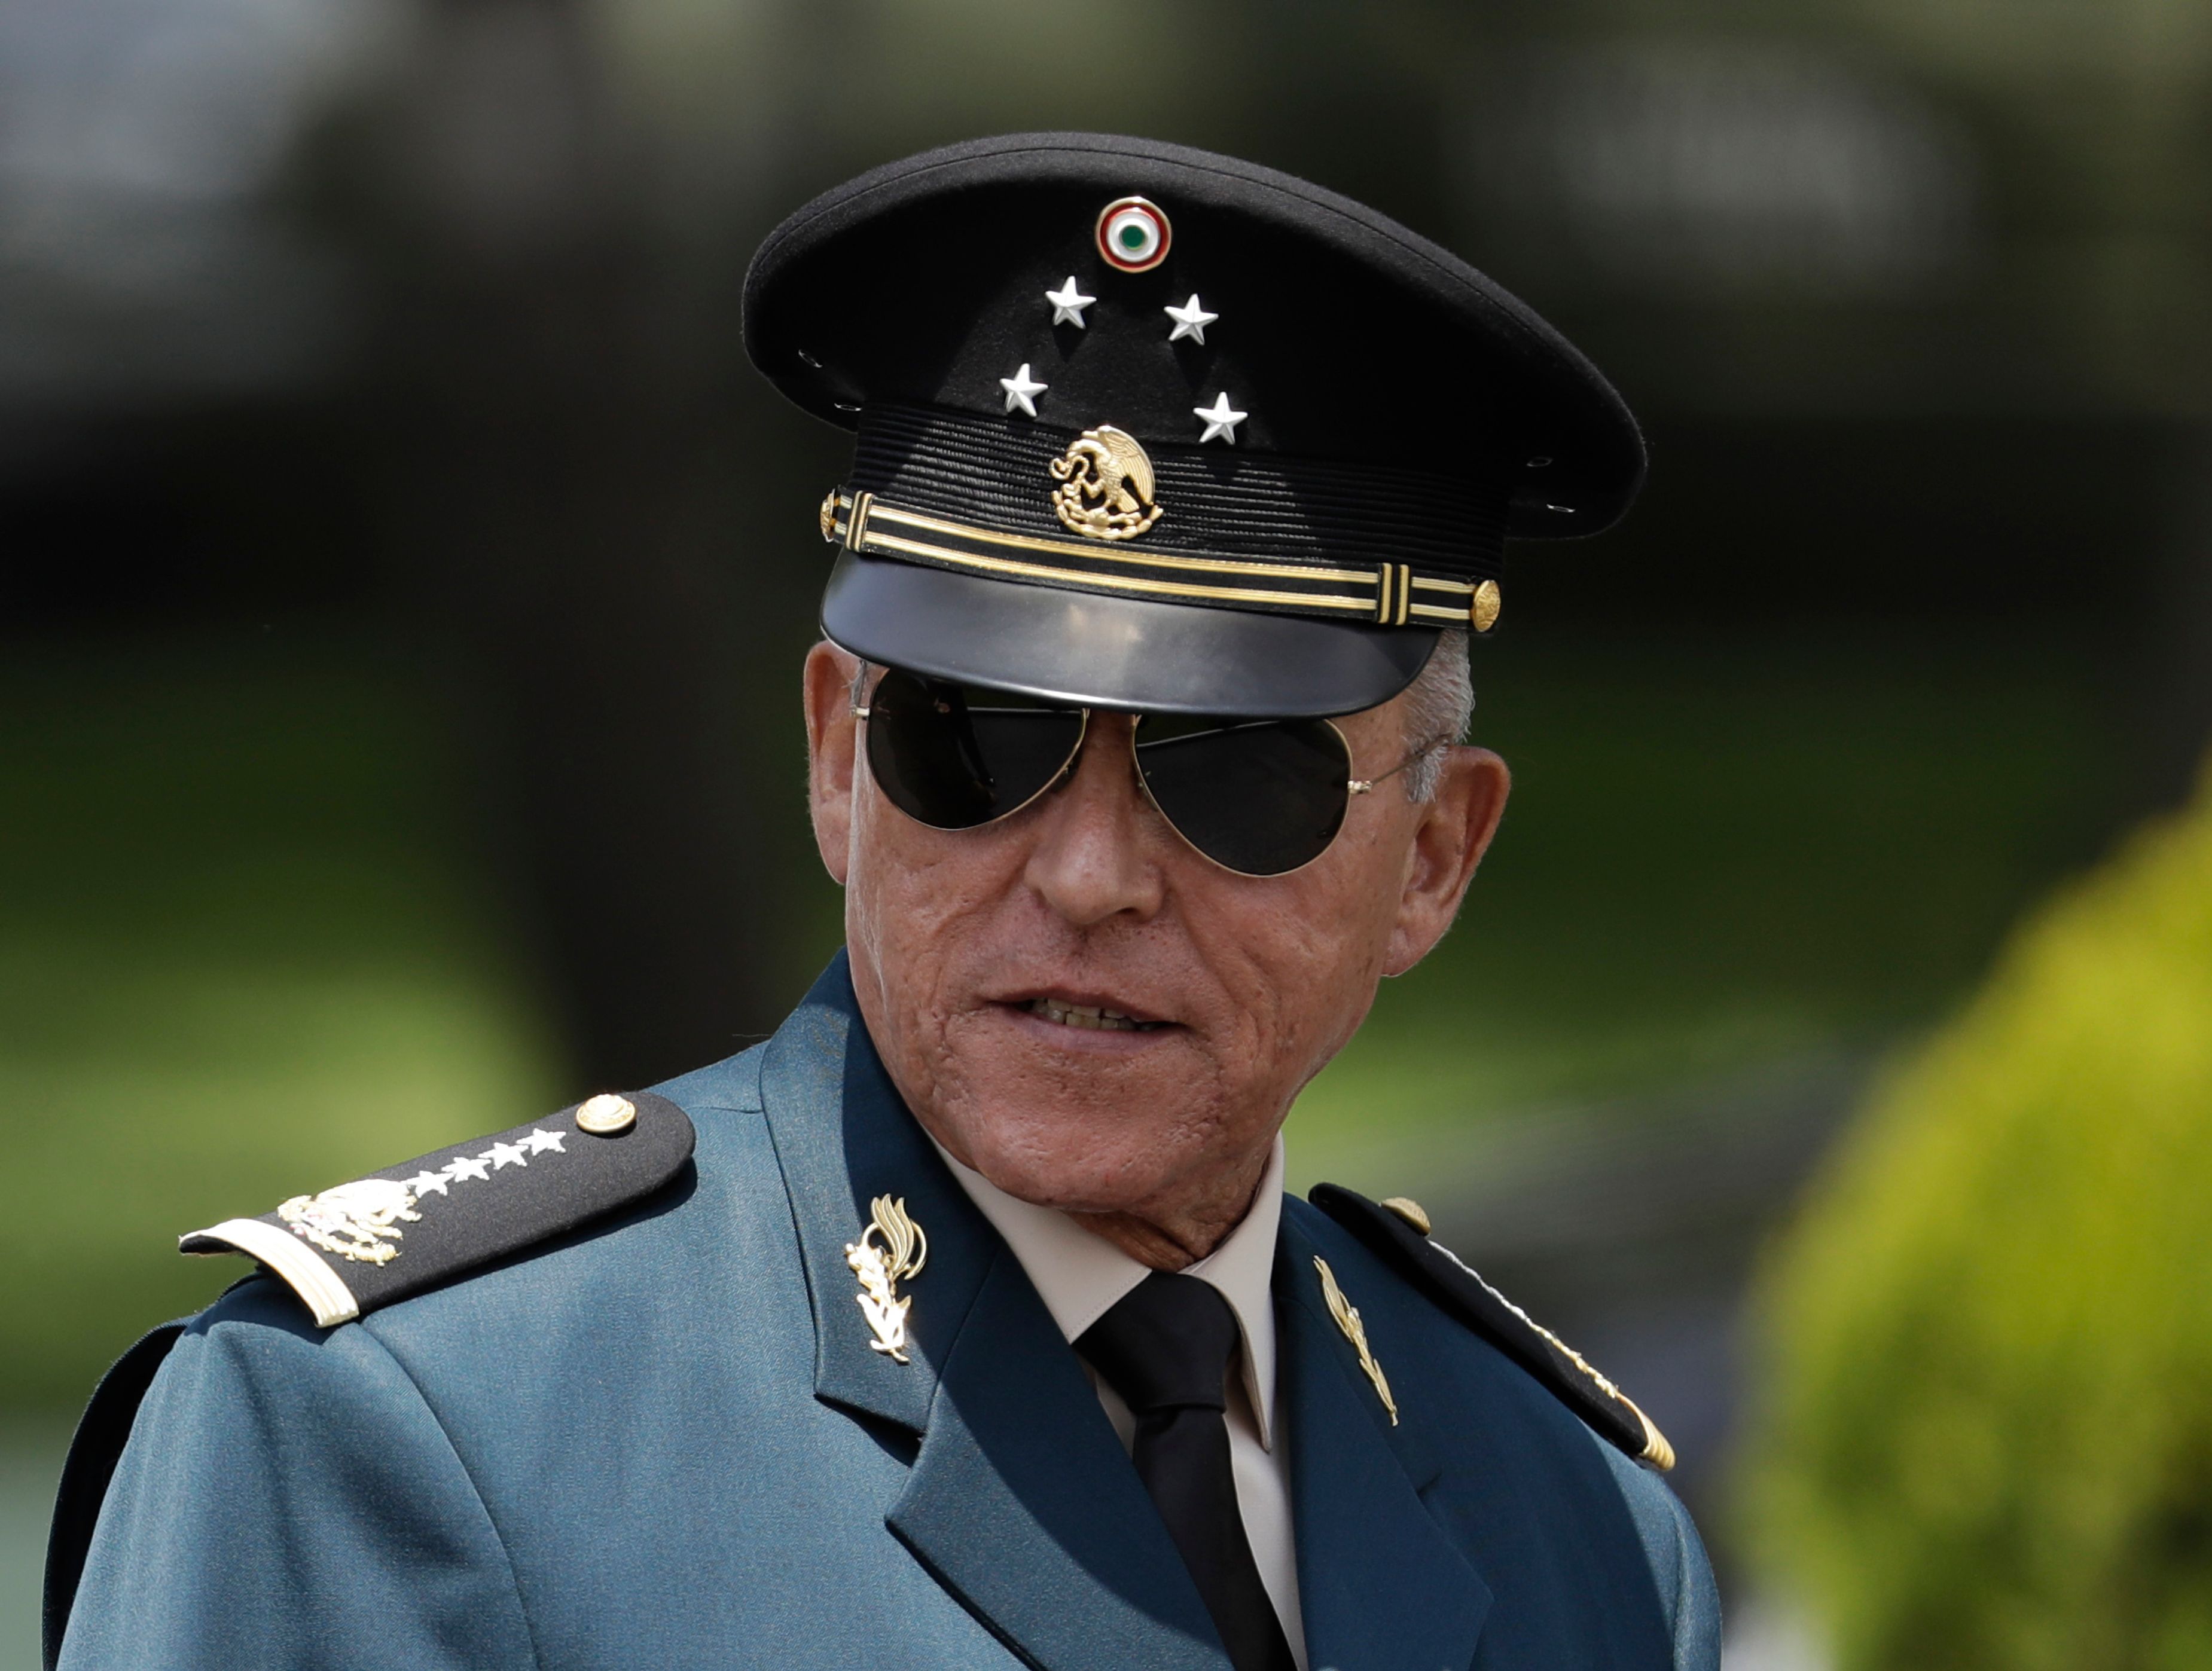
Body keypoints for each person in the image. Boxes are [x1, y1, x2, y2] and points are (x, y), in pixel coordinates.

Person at [45, 133, 1719, 1671]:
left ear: (1433, 857)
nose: (1086, 874)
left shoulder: (1579, 1526)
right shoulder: (393, 1439)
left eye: (1237, 775)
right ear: (841, 762)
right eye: (971, 739)